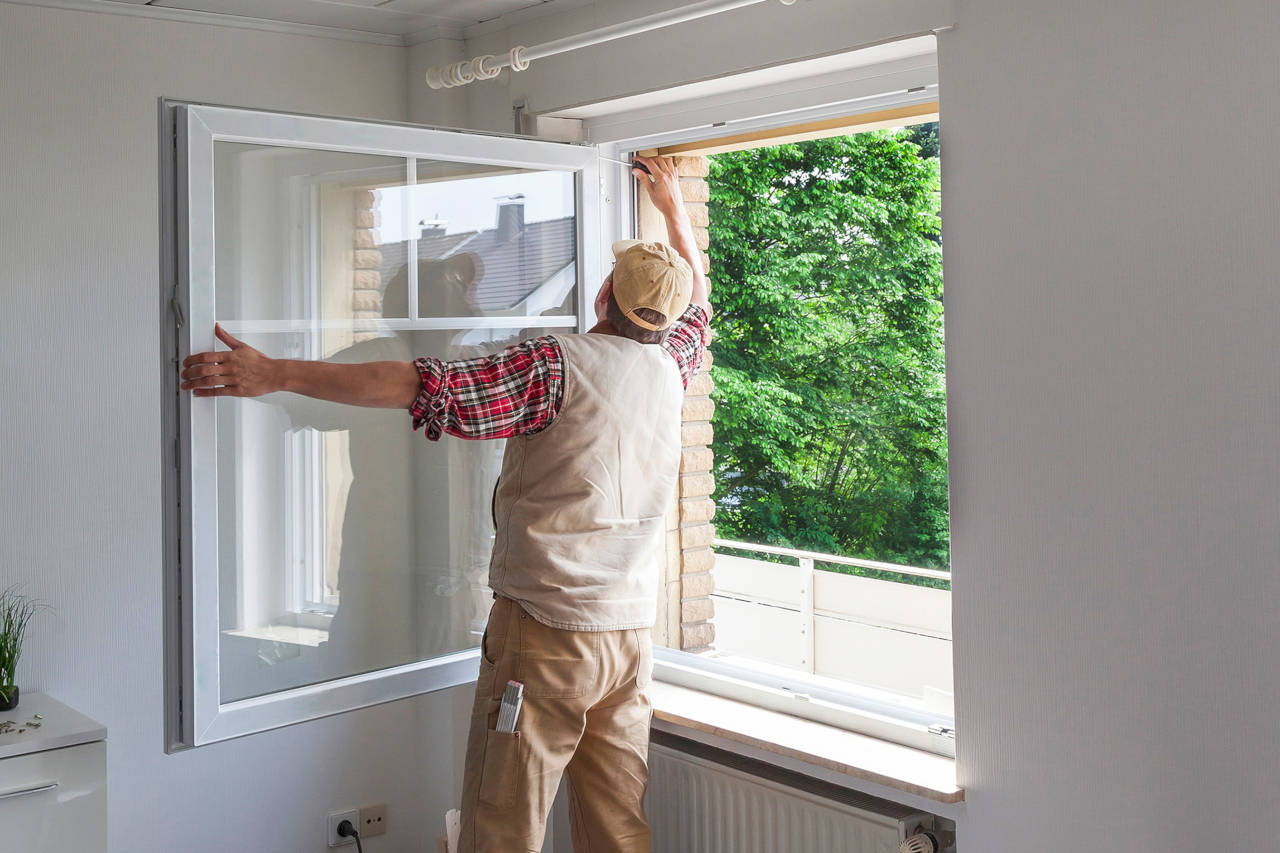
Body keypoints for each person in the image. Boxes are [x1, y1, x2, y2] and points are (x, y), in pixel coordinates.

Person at [181, 155, 711, 852]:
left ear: (603, 294)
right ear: (666, 317)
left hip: (547, 636)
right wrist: (673, 208)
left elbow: (418, 385)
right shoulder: (672, 365)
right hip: (628, 640)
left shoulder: (555, 367)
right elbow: (699, 303)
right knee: (618, 828)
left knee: (502, 827)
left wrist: (274, 371)